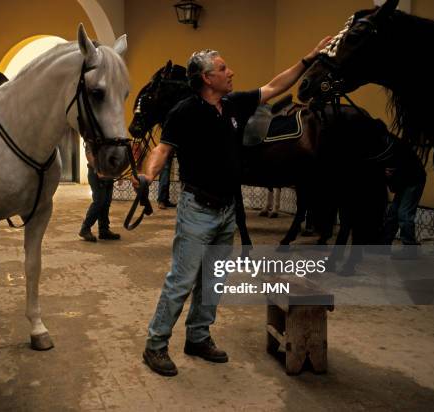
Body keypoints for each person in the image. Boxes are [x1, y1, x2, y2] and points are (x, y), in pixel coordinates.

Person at [135, 36, 332, 377]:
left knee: (212, 282)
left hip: (227, 211)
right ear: (206, 78)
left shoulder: (235, 104)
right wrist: (147, 176)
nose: (231, 72)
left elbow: (274, 86)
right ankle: (155, 345)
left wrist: (308, 59)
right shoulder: (184, 112)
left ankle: (198, 337)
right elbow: (163, 150)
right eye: (223, 68)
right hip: (197, 209)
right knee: (181, 281)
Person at [380, 136, 426, 258]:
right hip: (405, 180)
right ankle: (384, 245)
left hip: (413, 179)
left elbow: (394, 172)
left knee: (404, 214)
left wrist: (389, 173)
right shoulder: (386, 145)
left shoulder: (392, 147)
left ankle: (410, 249)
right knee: (393, 214)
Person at [79, 149, 121, 242]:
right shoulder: (93, 137)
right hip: (96, 173)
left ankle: (104, 230)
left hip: (109, 172)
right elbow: (89, 153)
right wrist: (98, 170)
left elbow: (115, 154)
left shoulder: (111, 137)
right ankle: (85, 228)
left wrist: (118, 172)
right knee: (99, 202)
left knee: (106, 202)